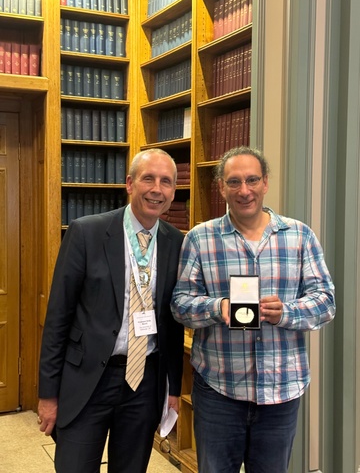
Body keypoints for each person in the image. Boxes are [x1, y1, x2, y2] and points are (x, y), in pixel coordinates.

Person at [171, 146, 335, 473]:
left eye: (252, 180)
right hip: (219, 391)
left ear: (265, 183)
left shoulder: (300, 236)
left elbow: (326, 301)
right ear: (221, 187)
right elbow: (180, 305)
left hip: (281, 392)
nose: (244, 190)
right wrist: (219, 308)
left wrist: (286, 312)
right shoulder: (200, 239)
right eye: (234, 182)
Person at [38, 148, 184, 473]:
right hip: (88, 378)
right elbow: (58, 317)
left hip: (144, 382)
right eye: (148, 178)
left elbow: (172, 324)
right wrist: (48, 395)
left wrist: (173, 388)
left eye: (166, 182)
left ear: (173, 192)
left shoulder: (176, 242)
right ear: (130, 183)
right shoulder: (86, 232)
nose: (157, 189)